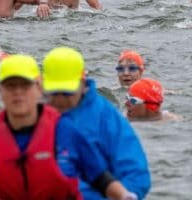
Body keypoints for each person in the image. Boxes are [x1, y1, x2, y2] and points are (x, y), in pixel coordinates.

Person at [0, 54, 137, 200]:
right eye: (10, 86)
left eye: (24, 85)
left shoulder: (67, 133)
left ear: (38, 87)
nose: (18, 92)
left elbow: (101, 179)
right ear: (1, 91)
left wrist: (125, 196)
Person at [40, 47, 151, 199]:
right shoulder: (32, 117)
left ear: (83, 81)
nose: (60, 99)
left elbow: (136, 175)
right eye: (54, 92)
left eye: (67, 92)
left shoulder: (106, 117)